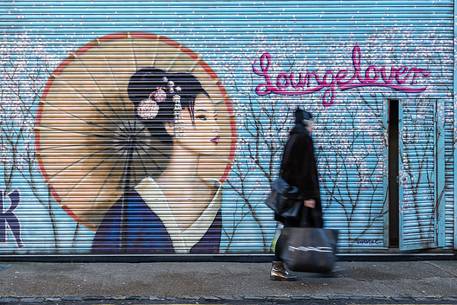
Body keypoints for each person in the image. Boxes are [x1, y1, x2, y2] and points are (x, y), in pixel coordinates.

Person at [92, 67, 222, 254]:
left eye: (215, 118)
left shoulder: (214, 195)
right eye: (202, 117)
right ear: (170, 125)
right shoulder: (132, 206)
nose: (216, 127)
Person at [270, 107, 324, 281]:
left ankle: (287, 264)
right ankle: (279, 266)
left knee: (289, 230)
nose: (313, 126)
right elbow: (305, 170)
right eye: (312, 122)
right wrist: (309, 196)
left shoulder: (293, 137)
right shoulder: (303, 138)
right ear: (306, 122)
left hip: (291, 195)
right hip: (298, 197)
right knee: (289, 231)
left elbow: (288, 168)